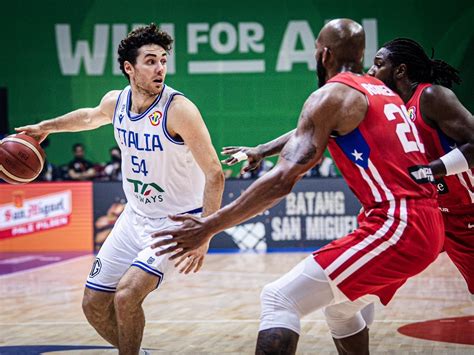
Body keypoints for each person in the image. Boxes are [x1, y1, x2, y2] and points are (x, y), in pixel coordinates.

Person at [151, 19, 445, 354]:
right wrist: (262, 149)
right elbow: (316, 128)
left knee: (279, 298)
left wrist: (209, 225)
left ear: (324, 55)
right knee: (341, 308)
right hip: (428, 222)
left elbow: (281, 182)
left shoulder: (332, 95)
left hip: (398, 226)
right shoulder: (381, 92)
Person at [15, 23, 225, 355]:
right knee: (93, 304)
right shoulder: (116, 102)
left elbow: (215, 173)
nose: (160, 69)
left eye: (163, 60)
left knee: (127, 295)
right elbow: (88, 118)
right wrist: (46, 127)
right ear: (129, 68)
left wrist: (205, 232)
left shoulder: (179, 110)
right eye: (151, 61)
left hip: (177, 223)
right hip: (135, 217)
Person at [367, 38, 474, 298]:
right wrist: (265, 148)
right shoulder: (389, 107)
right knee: (369, 282)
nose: (370, 71)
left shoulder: (431, 96)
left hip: (467, 212)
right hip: (428, 214)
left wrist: (428, 171)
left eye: (378, 65)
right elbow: (319, 127)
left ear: (400, 71)